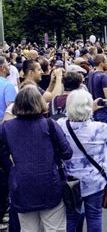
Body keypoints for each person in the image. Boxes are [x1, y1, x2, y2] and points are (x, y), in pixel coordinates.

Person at [0, 85, 73, 230]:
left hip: (21, 185)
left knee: (28, 228)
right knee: (55, 228)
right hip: (49, 183)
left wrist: (13, 168)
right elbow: (67, 153)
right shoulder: (49, 125)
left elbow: (2, 154)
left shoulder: (6, 128)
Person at [57, 89, 107, 232]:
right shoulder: (98, 128)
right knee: (94, 216)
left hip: (70, 180)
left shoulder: (61, 126)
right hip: (94, 180)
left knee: (71, 217)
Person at [0, 56, 17, 121]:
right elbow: (11, 110)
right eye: (8, 65)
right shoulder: (8, 86)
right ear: (3, 68)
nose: (9, 67)